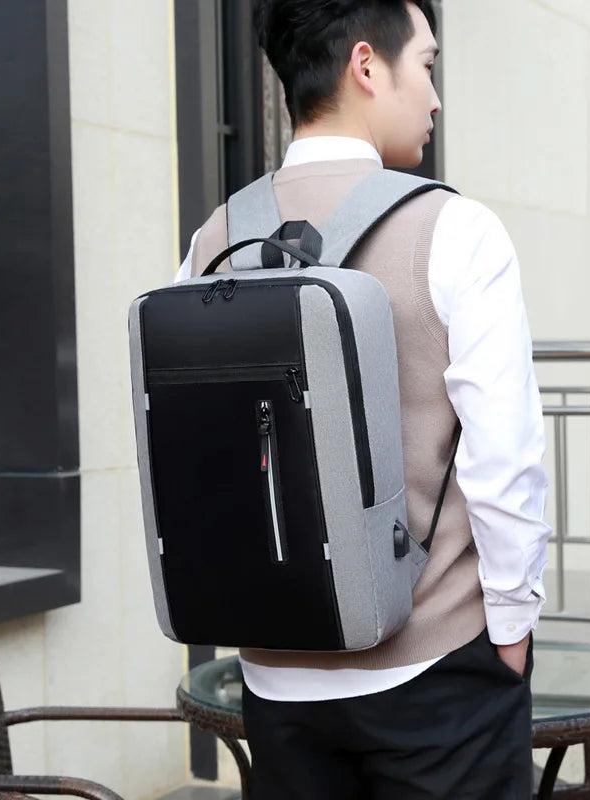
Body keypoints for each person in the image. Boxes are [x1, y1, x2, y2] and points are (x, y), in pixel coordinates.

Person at [175, 2, 551, 797]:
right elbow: (504, 459)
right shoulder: (456, 230)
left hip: (275, 675)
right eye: (427, 66)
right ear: (367, 66)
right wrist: (513, 627)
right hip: (436, 667)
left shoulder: (212, 242)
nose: (435, 97)